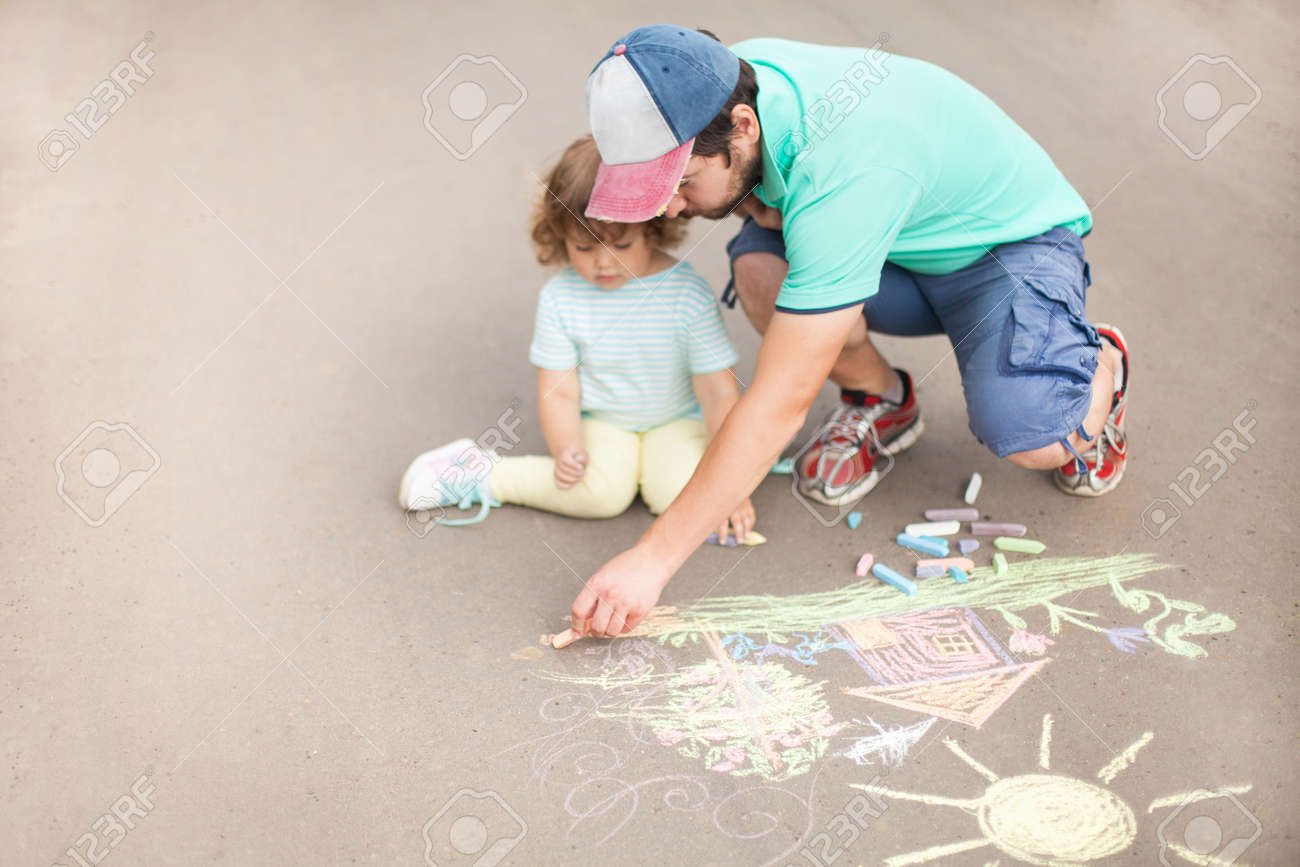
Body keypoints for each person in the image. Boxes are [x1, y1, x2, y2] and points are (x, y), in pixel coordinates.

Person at [569, 26, 1131, 638]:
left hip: (1007, 250)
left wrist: (651, 561)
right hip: (900, 237)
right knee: (761, 271)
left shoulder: (845, 170)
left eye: (678, 184)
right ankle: (883, 400)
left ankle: (1094, 362)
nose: (670, 209)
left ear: (741, 128)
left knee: (1034, 436)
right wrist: (757, 197)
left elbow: (781, 402)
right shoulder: (725, 76)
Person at [398, 135, 757, 544]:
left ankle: (669, 478)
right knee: (601, 494)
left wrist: (730, 487)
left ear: (654, 229)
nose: (604, 261)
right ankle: (482, 473)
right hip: (604, 420)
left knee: (681, 496)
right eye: (584, 248)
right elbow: (560, 388)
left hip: (677, 420)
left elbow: (716, 391)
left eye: (621, 244)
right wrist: (566, 446)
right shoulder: (561, 298)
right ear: (561, 237)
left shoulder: (685, 294)